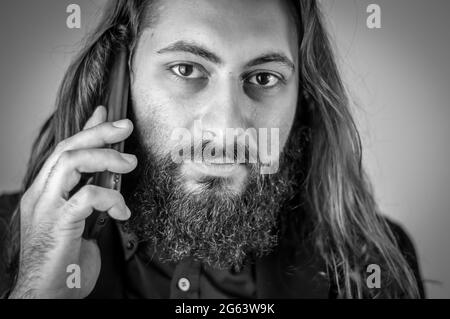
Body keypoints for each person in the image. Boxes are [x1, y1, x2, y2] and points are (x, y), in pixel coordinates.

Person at [0, 0, 424, 298]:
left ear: (303, 99)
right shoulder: (9, 243)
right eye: (187, 69)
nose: (226, 130)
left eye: (263, 78)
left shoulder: (374, 260)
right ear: (120, 79)